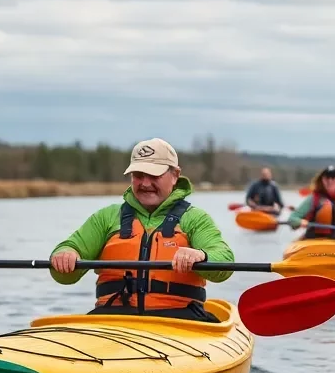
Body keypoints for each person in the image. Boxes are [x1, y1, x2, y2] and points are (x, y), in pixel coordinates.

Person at [49, 138, 233, 322]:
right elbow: (66, 270)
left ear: (175, 175)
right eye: (138, 175)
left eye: (154, 175)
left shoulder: (194, 219)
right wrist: (65, 254)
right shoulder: (107, 217)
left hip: (180, 320)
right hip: (114, 318)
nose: (145, 183)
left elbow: (224, 262)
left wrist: (202, 256)